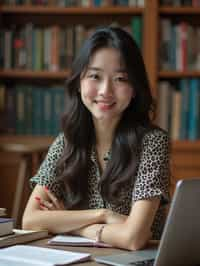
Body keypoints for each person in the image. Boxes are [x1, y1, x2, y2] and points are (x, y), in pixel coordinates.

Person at [22, 26, 170, 251]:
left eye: (120, 78)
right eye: (95, 76)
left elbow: (134, 238)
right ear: (79, 82)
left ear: (135, 88)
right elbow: (30, 220)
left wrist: (72, 225)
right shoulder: (67, 142)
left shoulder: (153, 142)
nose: (105, 90)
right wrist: (104, 216)